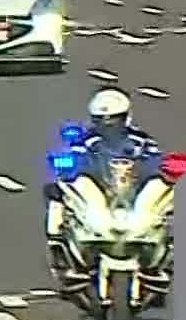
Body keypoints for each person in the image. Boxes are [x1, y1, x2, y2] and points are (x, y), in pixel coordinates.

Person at [43, 88, 163, 240]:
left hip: (134, 188)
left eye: (113, 119)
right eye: (101, 120)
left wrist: (158, 168)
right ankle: (57, 235)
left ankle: (167, 237)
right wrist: (68, 164)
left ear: (125, 118)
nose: (108, 124)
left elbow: (156, 160)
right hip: (99, 185)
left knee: (162, 191)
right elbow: (71, 158)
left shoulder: (141, 140)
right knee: (59, 189)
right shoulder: (85, 140)